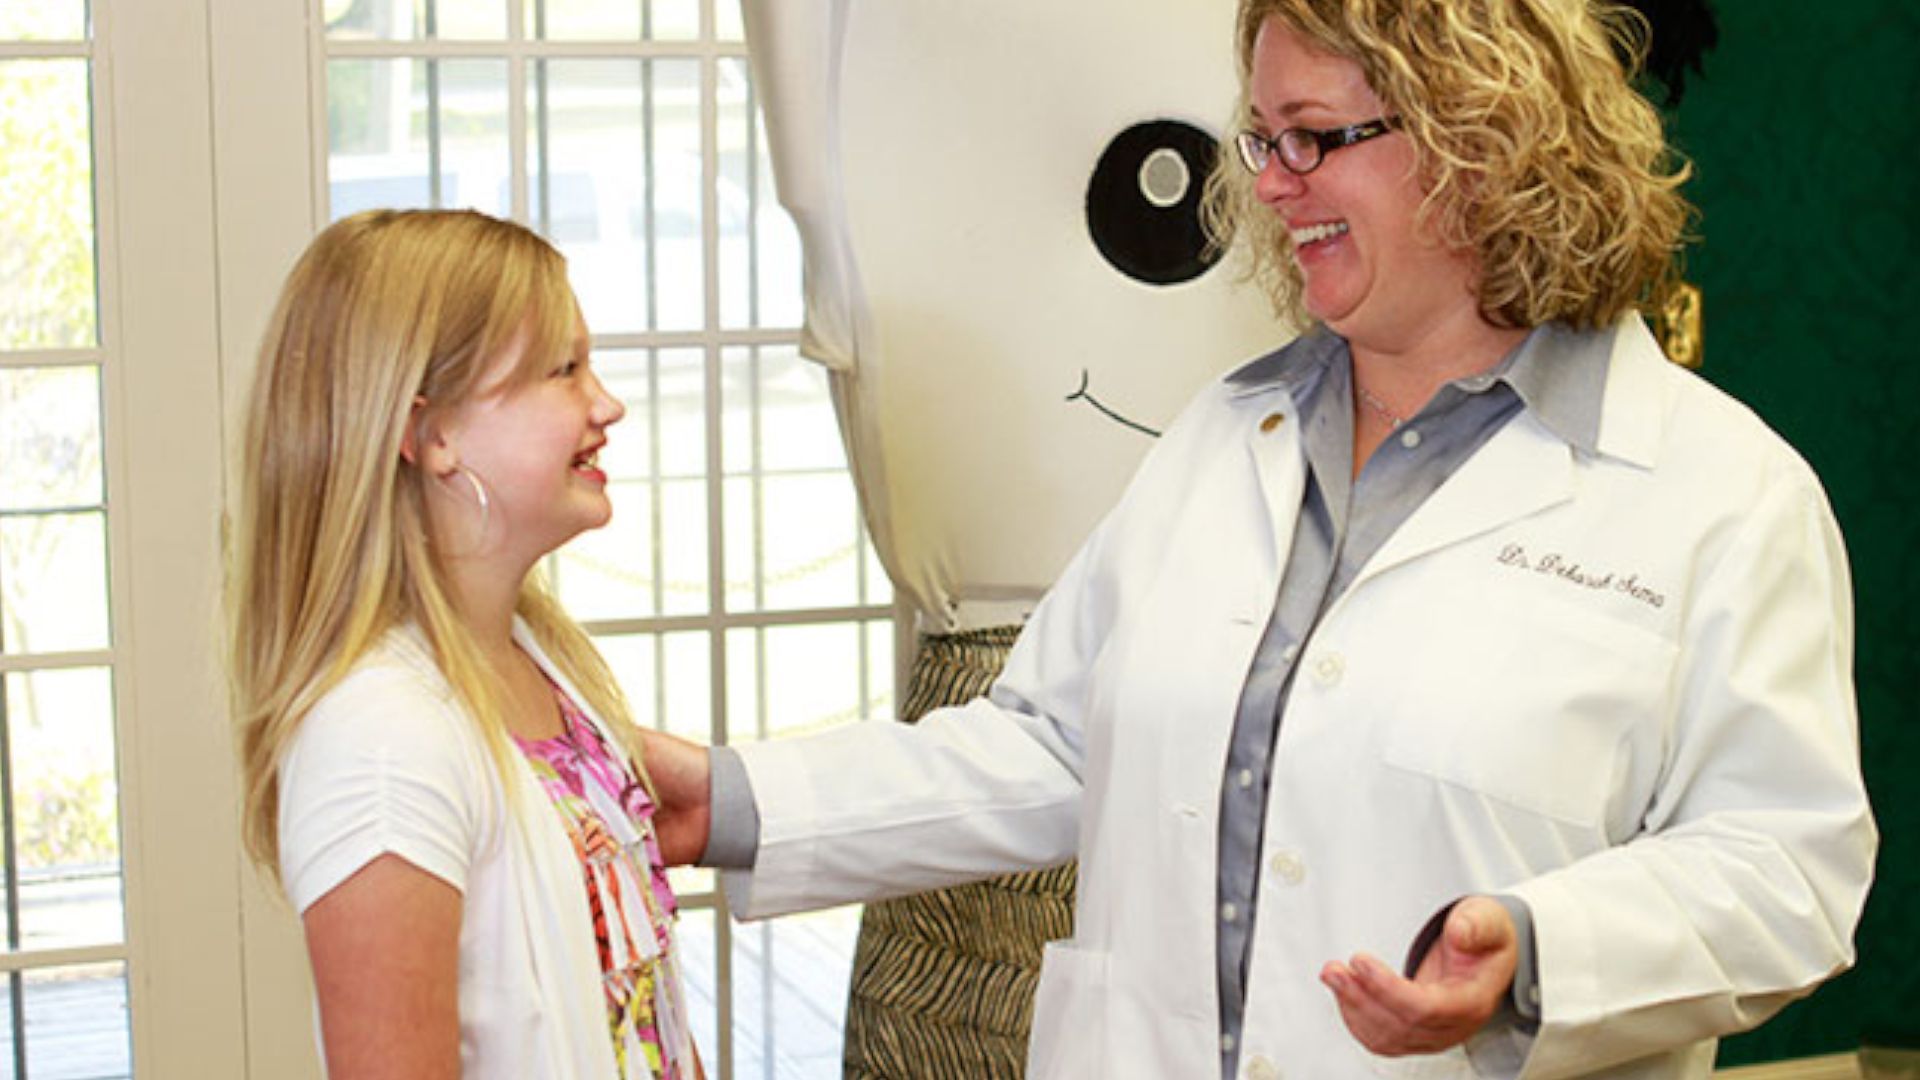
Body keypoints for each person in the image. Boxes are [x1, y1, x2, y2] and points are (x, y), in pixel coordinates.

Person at [644, 0, 1878, 1076]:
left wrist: (1543, 948)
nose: (1268, 185)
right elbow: (1054, 748)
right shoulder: (1227, 435)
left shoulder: (1720, 494)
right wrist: (737, 801)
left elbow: (1786, 869)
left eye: (1312, 138)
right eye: (1260, 139)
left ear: (1482, 138)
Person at [231, 209, 701, 1080]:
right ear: (432, 435)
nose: (606, 403)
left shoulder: (541, 666)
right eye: (563, 370)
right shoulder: (378, 737)